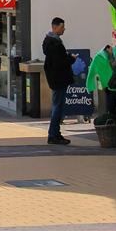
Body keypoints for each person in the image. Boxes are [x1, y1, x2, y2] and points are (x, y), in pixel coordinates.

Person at [43, 17, 76, 146]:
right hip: (59, 79)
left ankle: (55, 133)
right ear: (55, 27)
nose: (64, 29)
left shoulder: (50, 42)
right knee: (58, 106)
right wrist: (71, 59)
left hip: (56, 79)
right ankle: (53, 134)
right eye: (62, 27)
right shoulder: (55, 44)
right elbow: (60, 62)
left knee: (58, 106)